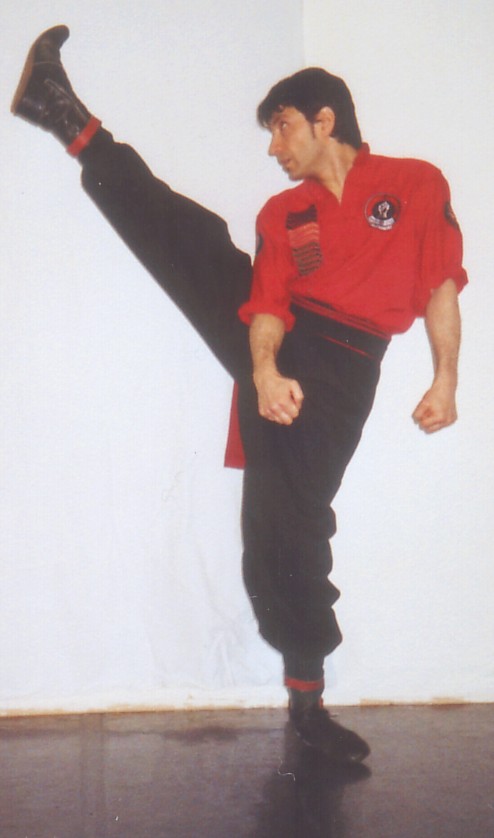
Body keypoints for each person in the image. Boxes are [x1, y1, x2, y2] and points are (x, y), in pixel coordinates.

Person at [12, 26, 467, 764]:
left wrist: (445, 377)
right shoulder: (282, 215)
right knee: (192, 240)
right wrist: (263, 373)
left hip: (344, 369)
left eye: (282, 127)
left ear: (325, 119)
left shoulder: (416, 184)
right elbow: (266, 306)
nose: (274, 147)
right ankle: (66, 116)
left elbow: (442, 282)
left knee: (284, 534)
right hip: (279, 352)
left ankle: (308, 706)